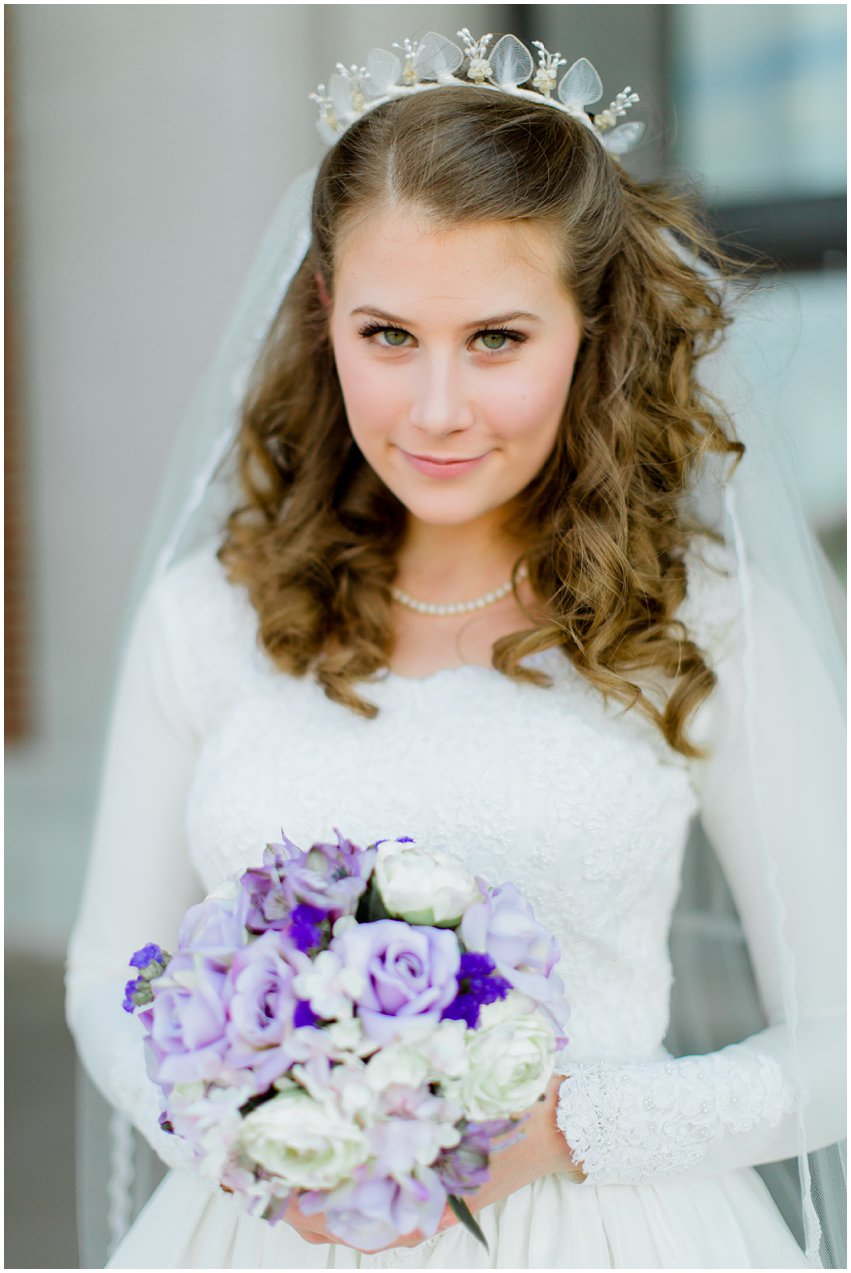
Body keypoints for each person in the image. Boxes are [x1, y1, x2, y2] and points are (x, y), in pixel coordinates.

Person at [66, 28, 845, 1270]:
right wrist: (245, 1119)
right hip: (259, 1228)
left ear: (587, 326)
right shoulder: (209, 616)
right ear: (324, 313)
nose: (433, 410)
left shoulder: (703, 620)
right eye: (386, 336)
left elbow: (841, 1037)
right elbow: (113, 963)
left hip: (610, 1231)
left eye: (495, 339)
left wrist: (560, 1128)